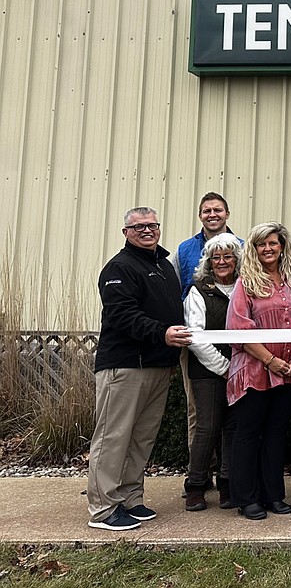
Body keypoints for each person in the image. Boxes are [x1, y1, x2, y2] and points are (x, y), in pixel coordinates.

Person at [88, 207, 192, 531]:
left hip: (158, 366)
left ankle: (131, 498)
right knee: (113, 437)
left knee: (141, 437)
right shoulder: (119, 268)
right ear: (126, 233)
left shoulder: (162, 265)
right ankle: (104, 508)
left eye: (152, 225)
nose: (147, 231)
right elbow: (122, 315)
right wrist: (161, 333)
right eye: (139, 226)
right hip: (125, 367)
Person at [226, 223, 291, 521]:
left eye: (273, 243)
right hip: (255, 370)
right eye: (262, 244)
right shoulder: (246, 283)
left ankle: (273, 494)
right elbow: (240, 327)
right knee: (249, 433)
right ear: (254, 248)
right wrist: (270, 361)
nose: (268, 249)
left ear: (282, 246)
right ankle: (247, 498)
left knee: (277, 434)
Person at [170, 192, 239, 493]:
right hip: (197, 337)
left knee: (234, 419)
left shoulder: (242, 246)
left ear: (226, 214)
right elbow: (175, 290)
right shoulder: (185, 249)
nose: (212, 214)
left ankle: (229, 476)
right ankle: (199, 476)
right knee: (200, 413)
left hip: (239, 348)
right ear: (200, 215)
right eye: (206, 210)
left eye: (218, 210)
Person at [182, 234, 241, 511]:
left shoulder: (245, 286)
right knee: (207, 427)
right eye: (216, 257)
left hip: (241, 368)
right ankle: (196, 485)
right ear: (208, 262)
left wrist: (237, 368)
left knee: (233, 427)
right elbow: (195, 335)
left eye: (227, 256)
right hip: (208, 369)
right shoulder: (198, 290)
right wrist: (223, 366)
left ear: (236, 259)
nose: (221, 262)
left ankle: (227, 483)